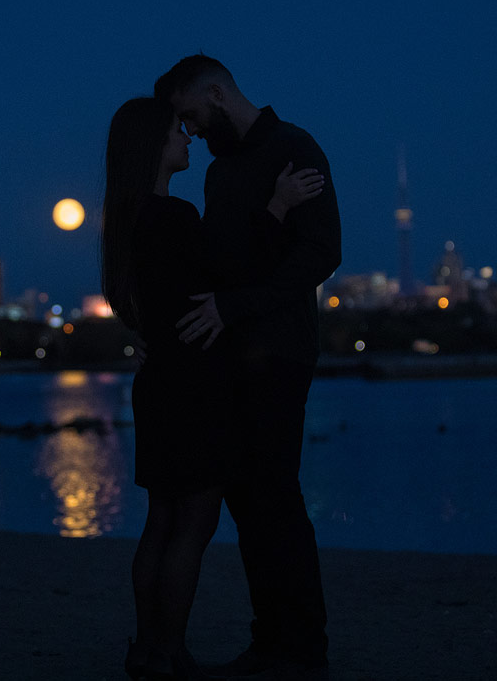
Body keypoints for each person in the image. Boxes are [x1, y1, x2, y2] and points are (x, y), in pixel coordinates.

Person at [102, 96, 324, 680]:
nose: (189, 139)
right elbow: (233, 272)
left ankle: (147, 648)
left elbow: (143, 300)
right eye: (179, 131)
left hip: (158, 384)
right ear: (154, 145)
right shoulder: (172, 217)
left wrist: (143, 339)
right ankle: (171, 653)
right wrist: (276, 206)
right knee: (193, 526)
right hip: (195, 385)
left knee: (160, 521)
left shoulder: (128, 221)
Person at [154, 55, 342, 680]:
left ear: (216, 92)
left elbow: (322, 251)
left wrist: (238, 305)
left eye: (192, 115)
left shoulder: (294, 148)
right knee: (249, 502)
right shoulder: (221, 172)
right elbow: (224, 259)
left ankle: (300, 647)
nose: (194, 129)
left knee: (276, 498)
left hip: (280, 352)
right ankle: (274, 641)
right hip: (232, 356)